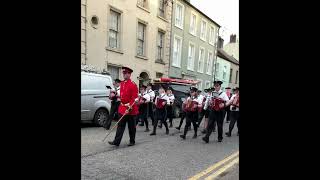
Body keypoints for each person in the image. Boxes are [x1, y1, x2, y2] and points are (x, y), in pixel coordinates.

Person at [108, 67, 139, 147]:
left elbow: (134, 98)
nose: (124, 74)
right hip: (122, 108)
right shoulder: (122, 83)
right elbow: (121, 95)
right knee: (120, 126)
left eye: (125, 73)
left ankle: (132, 141)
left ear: (129, 74)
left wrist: (129, 108)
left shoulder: (133, 84)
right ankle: (116, 141)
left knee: (131, 127)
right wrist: (114, 96)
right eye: (123, 73)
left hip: (130, 109)